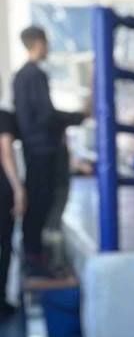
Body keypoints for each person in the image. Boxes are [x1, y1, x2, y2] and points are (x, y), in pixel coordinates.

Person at [12, 26, 87, 278]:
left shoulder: (20, 76)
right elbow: (46, 116)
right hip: (44, 150)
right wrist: (78, 117)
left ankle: (33, 258)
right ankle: (39, 260)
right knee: (45, 204)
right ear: (38, 43)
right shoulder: (35, 75)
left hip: (33, 149)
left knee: (37, 203)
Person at [0, 95, 25, 320]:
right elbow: (6, 153)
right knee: (4, 244)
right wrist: (18, 188)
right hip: (2, 189)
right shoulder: (4, 117)